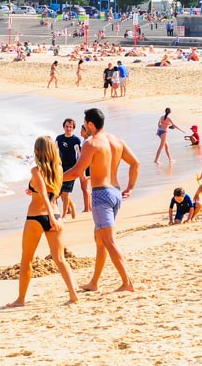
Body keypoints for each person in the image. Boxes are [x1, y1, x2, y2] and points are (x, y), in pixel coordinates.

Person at [62, 107, 140, 293]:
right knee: (100, 239)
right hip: (115, 193)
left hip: (101, 195)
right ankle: (94, 282)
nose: (84, 127)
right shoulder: (117, 141)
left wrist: (54, 179)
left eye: (84, 124)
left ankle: (127, 281)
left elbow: (76, 172)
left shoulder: (91, 143)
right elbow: (135, 163)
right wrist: (130, 187)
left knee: (108, 240)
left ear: (90, 124)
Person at [7, 136, 78, 307]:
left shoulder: (36, 171)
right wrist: (55, 215)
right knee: (60, 258)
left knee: (27, 260)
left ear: (38, 151)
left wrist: (50, 216)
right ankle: (73, 294)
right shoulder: (59, 169)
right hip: (56, 214)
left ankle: (21, 299)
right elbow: (52, 191)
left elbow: (44, 195)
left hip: (37, 218)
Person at [55, 118, 81, 219]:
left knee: (65, 193)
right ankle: (72, 206)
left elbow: (79, 156)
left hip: (72, 169)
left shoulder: (76, 140)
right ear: (63, 127)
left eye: (70, 127)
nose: (68, 128)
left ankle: (64, 216)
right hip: (60, 169)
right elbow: (55, 152)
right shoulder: (59, 139)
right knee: (60, 192)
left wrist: (79, 169)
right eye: (66, 126)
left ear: (73, 128)